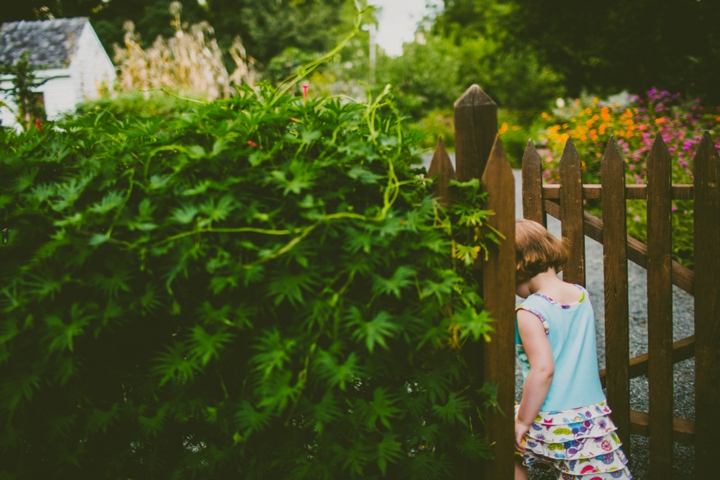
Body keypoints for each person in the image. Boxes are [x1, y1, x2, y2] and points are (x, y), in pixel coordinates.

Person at [513, 219, 632, 480]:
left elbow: (543, 370)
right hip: (591, 417)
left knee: (505, 444)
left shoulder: (529, 311)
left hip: (548, 418)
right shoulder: (580, 295)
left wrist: (522, 422)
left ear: (518, 268)